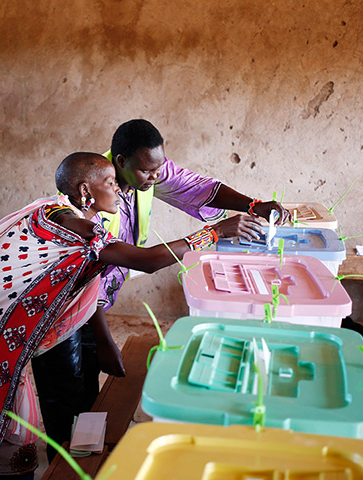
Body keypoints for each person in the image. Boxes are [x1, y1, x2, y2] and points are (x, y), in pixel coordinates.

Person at [0, 152, 232, 478]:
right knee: (0, 410)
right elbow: (147, 260)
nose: (119, 191)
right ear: (86, 191)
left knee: (11, 407)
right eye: (111, 184)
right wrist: (214, 233)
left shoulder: (65, 211)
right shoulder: (74, 224)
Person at [31, 118, 292, 460]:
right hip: (62, 314)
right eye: (144, 172)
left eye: (158, 169)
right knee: (66, 394)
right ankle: (64, 462)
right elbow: (130, 267)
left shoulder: (135, 175)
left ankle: (80, 452)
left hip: (91, 305)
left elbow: (199, 187)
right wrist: (213, 233)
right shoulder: (87, 211)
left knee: (86, 389)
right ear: (119, 165)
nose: (156, 177)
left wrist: (252, 205)